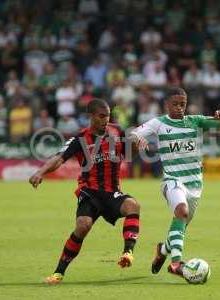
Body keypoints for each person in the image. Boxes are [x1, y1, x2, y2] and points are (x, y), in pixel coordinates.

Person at [29, 99, 140, 284]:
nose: (106, 120)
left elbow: (129, 155)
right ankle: (58, 273)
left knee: (133, 206)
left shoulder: (118, 131)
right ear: (90, 117)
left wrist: (135, 144)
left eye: (108, 116)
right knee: (83, 226)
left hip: (112, 192)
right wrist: (40, 172)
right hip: (89, 192)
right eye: (102, 116)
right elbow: (59, 158)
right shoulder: (80, 138)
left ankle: (128, 252)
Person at [130, 87, 220, 278]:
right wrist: (138, 140)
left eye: (182, 104)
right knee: (181, 212)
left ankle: (162, 250)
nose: (179, 108)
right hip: (172, 180)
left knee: (180, 224)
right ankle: (176, 263)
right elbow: (134, 134)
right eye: (175, 104)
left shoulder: (195, 121)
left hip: (195, 183)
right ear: (166, 104)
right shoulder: (158, 123)